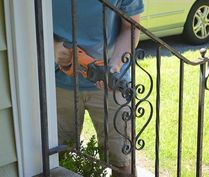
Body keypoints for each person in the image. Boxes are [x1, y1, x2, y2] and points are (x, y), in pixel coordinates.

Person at [52, 0, 144, 176]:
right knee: (57, 158)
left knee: (122, 164)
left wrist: (115, 66)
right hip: (57, 83)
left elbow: (131, 27)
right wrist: (53, 47)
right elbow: (28, 22)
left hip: (111, 85)